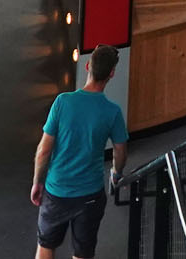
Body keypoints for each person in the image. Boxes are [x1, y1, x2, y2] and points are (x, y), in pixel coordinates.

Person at [32, 45, 128, 259]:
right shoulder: (113, 112)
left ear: (87, 66)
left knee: (45, 247)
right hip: (90, 196)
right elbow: (120, 151)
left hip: (56, 192)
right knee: (82, 253)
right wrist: (116, 173)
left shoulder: (62, 102)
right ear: (111, 73)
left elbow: (43, 151)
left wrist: (38, 182)